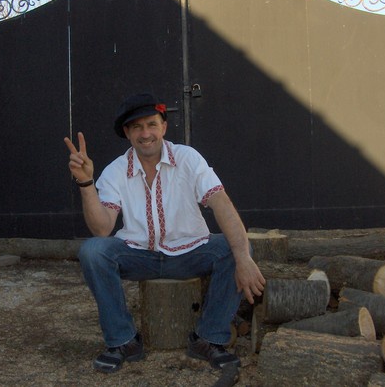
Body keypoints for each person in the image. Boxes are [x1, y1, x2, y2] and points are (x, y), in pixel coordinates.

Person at [64, 92, 265, 374]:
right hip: (138, 255)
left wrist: (243, 257)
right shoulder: (115, 170)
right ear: (127, 133)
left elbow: (221, 204)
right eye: (137, 127)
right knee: (93, 251)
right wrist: (86, 183)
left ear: (164, 127)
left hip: (191, 252)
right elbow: (102, 228)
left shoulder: (188, 158)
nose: (145, 134)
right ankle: (123, 341)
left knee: (235, 249)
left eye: (152, 124)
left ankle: (208, 339)